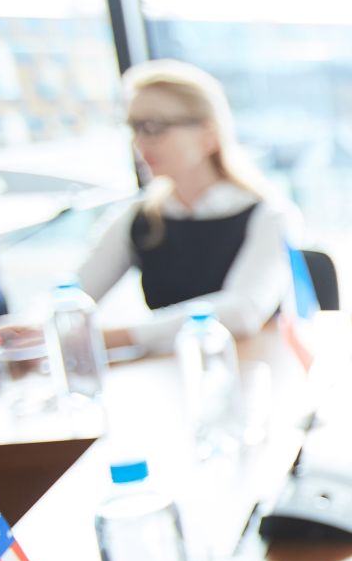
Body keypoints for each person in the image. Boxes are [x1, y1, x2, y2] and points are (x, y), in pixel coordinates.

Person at [76, 59, 301, 353]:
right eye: (134, 127)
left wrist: (113, 337)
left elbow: (243, 312)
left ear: (208, 133)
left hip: (255, 372)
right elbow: (75, 295)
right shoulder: (138, 218)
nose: (141, 142)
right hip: (167, 375)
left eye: (154, 126)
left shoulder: (269, 215)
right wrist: (33, 328)